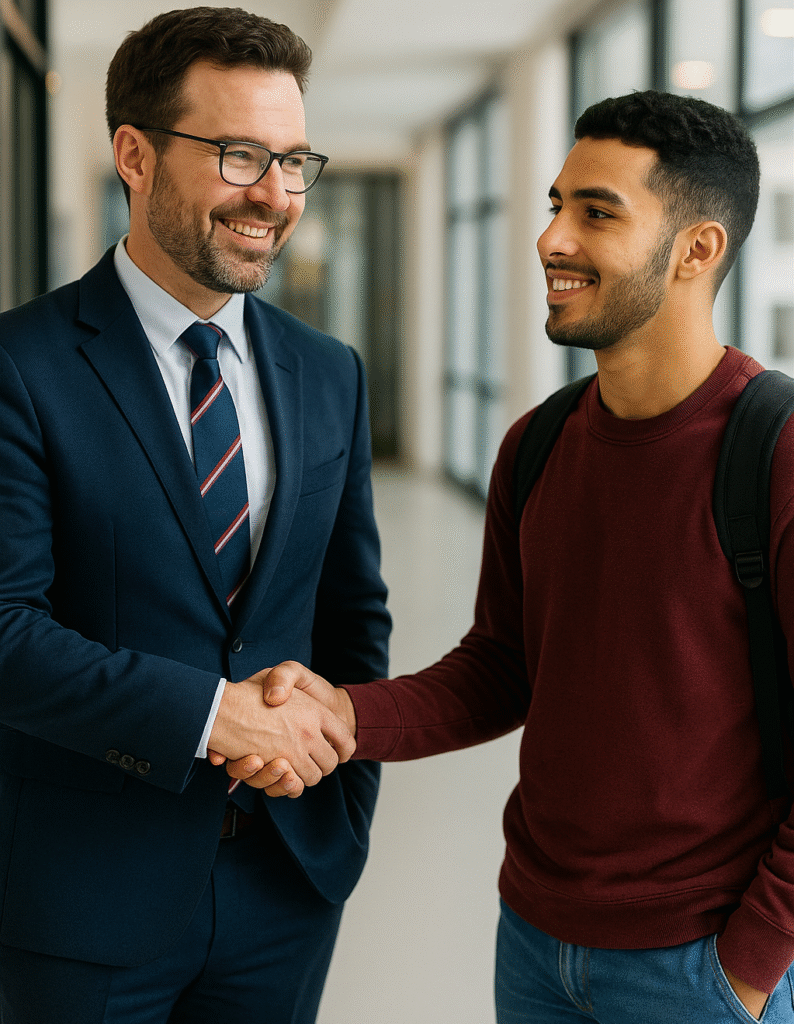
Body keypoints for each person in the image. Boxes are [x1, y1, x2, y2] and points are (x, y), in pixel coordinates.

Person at [228, 92, 794, 1022]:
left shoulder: (775, 451)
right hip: (534, 939)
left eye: (597, 212)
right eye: (555, 204)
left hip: (698, 966)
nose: (551, 239)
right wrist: (342, 717)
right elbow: (502, 667)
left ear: (698, 250)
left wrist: (751, 964)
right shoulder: (538, 445)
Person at [0, 7, 390, 1023]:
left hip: (284, 884)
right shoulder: (21, 367)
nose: (275, 193)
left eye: (293, 158)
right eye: (237, 154)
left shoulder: (327, 372)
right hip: (83, 901)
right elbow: (4, 630)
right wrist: (215, 716)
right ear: (133, 154)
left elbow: (353, 617)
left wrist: (342, 797)